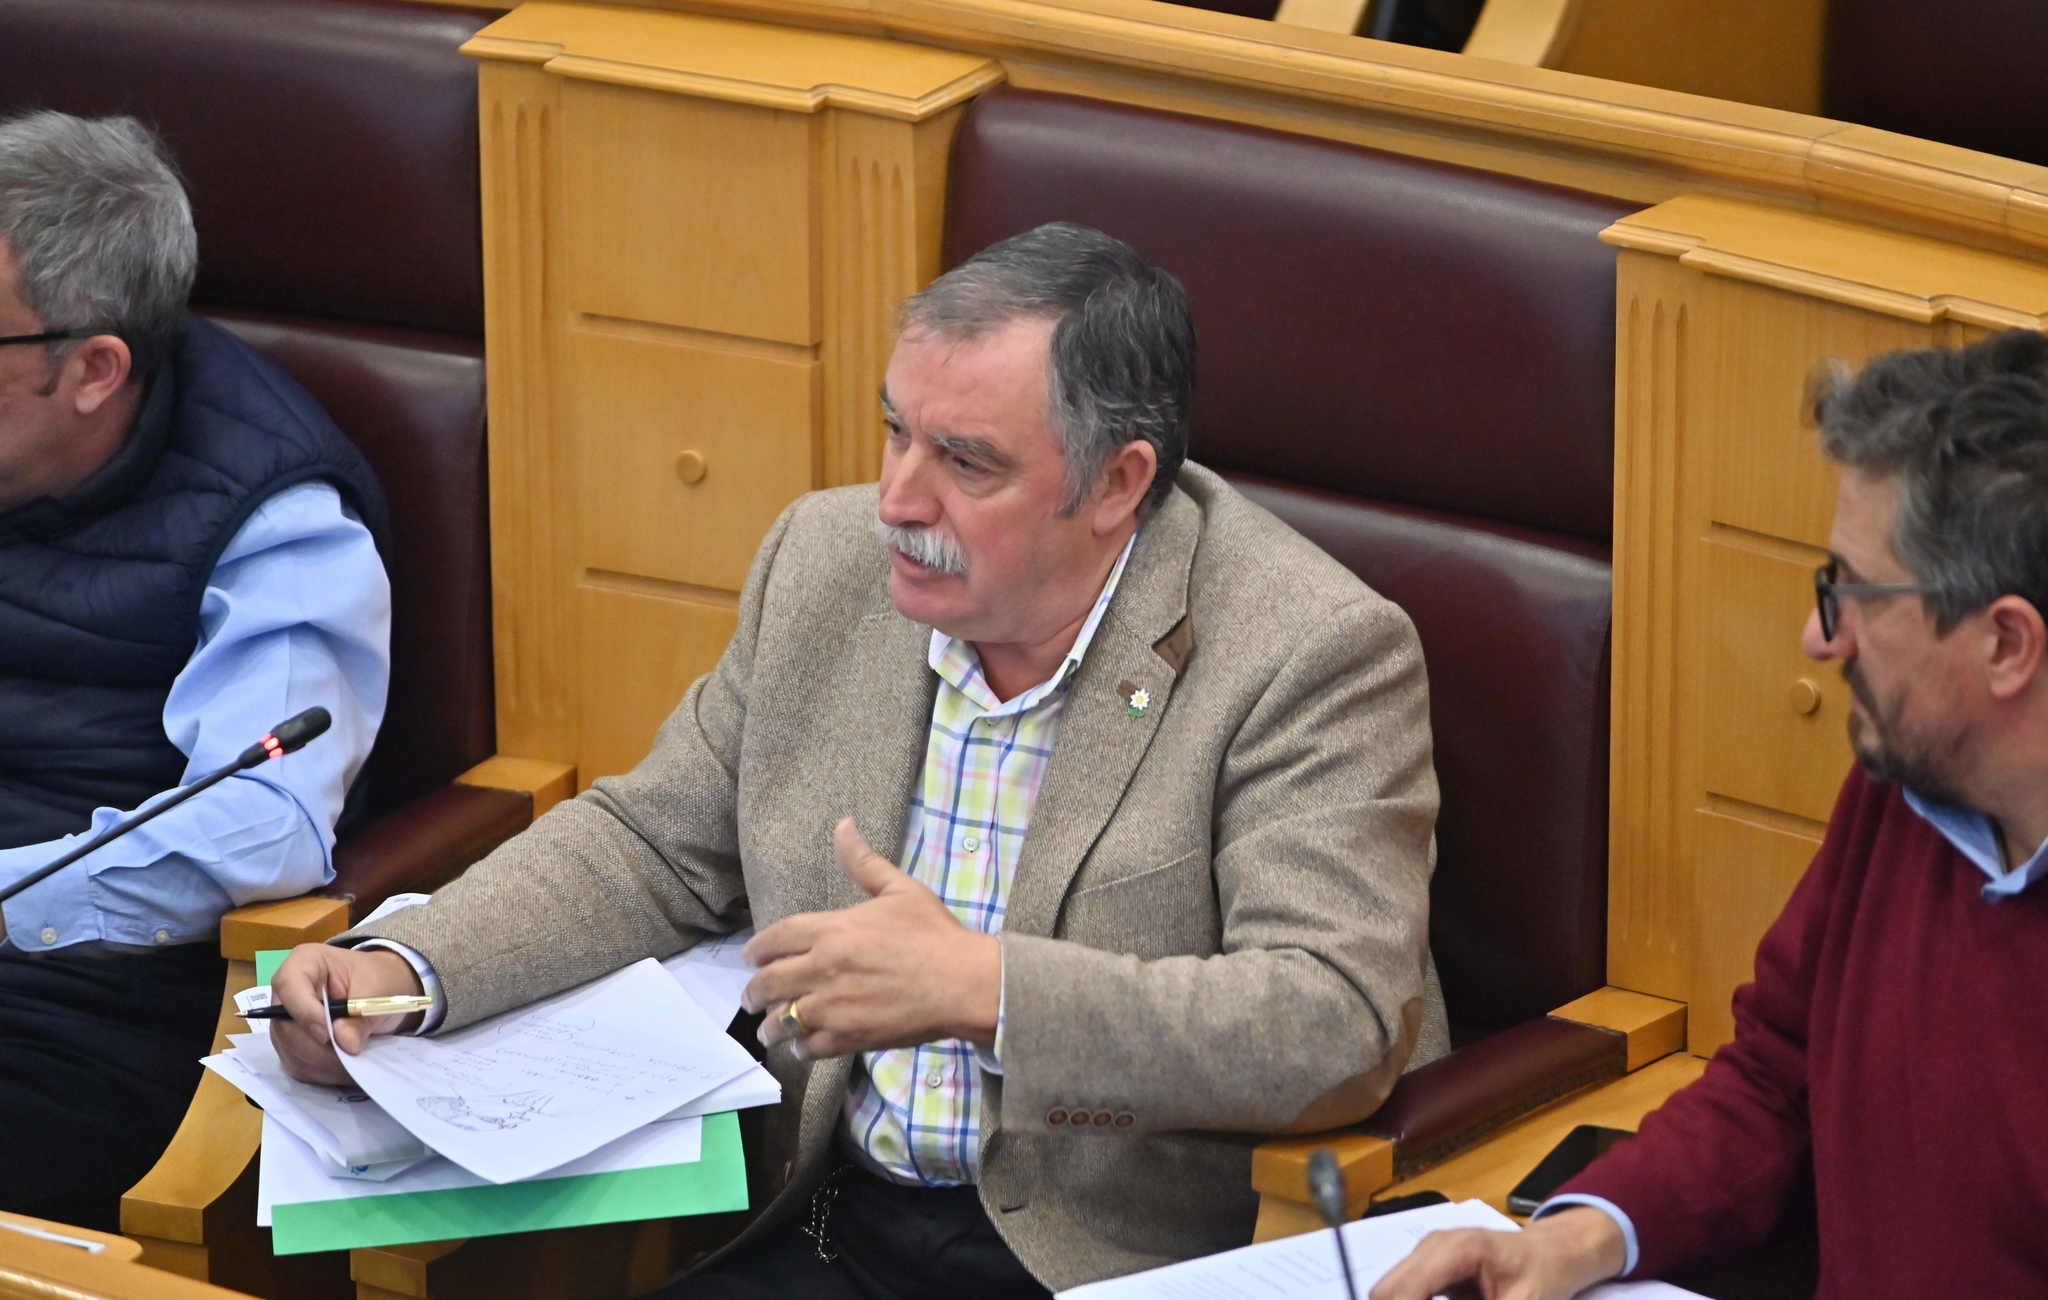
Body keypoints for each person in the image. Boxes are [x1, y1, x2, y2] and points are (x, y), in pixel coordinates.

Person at [271, 222, 1450, 1295]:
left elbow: (1332, 1018)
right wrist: (408, 970)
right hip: (831, 1223)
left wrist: (987, 990)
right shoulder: (825, 563)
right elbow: (653, 845)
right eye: (895, 429)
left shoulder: (1307, 650)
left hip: (1107, 1262)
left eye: (965, 462)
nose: (894, 498)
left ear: (1116, 484)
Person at [1375, 328, 2048, 1300]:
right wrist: (1568, 1240)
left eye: (1852, 593)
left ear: (2007, 644)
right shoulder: (1902, 793)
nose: (1817, 637)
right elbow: (1773, 1084)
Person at [0, 111, 391, 1230]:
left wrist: (10, 893)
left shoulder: (274, 515)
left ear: (94, 369)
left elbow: (266, 821)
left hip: (78, 1013)